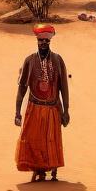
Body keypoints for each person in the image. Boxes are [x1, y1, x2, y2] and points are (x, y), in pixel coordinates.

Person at [14, 23, 70, 182]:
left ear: (50, 42)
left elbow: (63, 88)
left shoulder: (58, 60)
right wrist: (17, 112)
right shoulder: (30, 61)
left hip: (52, 108)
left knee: (50, 140)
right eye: (41, 41)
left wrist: (66, 110)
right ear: (37, 42)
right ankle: (37, 169)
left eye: (47, 41)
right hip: (34, 107)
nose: (44, 44)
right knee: (32, 140)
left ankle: (50, 168)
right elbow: (22, 88)